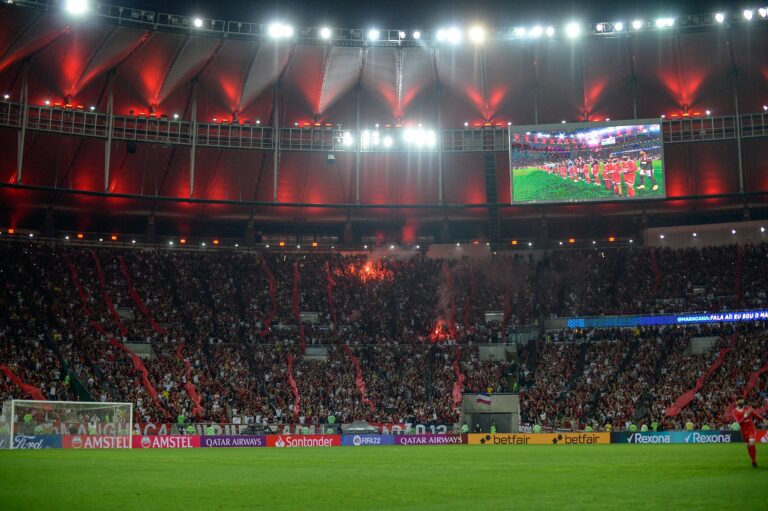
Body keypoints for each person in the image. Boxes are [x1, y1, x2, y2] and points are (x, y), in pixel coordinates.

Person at [732, 399, 764, 468]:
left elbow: (756, 415)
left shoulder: (748, 408)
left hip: (751, 429)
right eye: (740, 402)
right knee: (749, 446)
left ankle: (754, 462)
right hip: (744, 431)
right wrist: (745, 415)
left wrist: (764, 420)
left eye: (743, 401)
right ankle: (753, 461)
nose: (742, 403)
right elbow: (739, 422)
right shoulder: (734, 411)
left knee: (752, 441)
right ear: (737, 403)